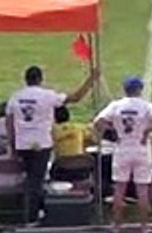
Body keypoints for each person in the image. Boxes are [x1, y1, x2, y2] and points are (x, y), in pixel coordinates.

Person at [7, 65, 98, 223]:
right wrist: (91, 80)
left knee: (31, 179)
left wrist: (12, 143)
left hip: (22, 143)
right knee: (36, 180)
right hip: (41, 143)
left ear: (25, 79)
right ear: (40, 79)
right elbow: (75, 97)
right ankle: (32, 217)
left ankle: (34, 210)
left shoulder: (15, 97)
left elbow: (9, 123)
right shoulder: (47, 96)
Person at [95, 76, 152, 233]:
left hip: (122, 149)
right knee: (142, 191)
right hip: (141, 149)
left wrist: (114, 128)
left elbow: (98, 122)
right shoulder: (146, 106)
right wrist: (147, 130)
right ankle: (144, 226)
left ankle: (116, 226)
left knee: (119, 190)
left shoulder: (116, 106)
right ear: (139, 90)